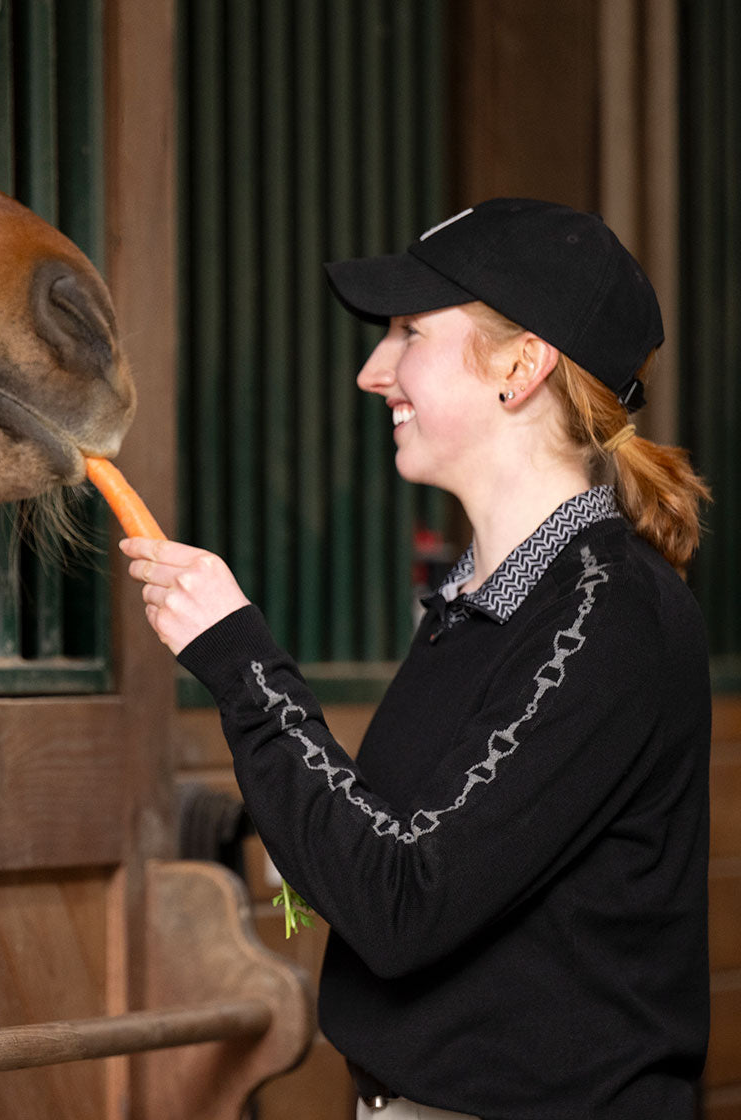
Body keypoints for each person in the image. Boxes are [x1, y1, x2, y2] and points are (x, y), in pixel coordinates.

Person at [122, 199, 712, 1119]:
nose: (370, 371)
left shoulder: (607, 615)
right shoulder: (482, 602)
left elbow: (403, 904)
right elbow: (391, 858)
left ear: (522, 365)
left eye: (406, 331)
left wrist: (240, 660)